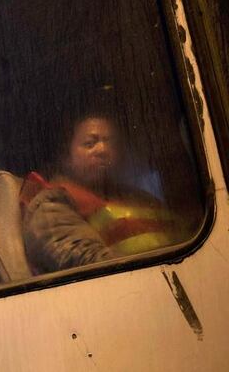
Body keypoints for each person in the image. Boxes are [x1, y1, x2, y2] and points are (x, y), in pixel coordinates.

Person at [22, 113, 183, 273]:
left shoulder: (140, 197)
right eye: (90, 143)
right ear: (67, 157)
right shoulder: (51, 204)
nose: (103, 150)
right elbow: (90, 265)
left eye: (110, 143)